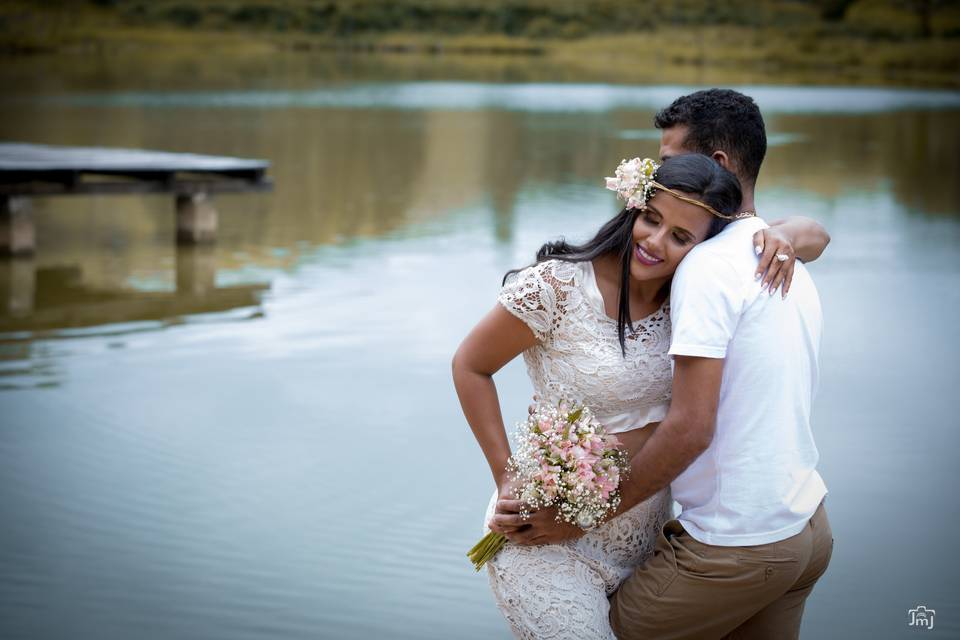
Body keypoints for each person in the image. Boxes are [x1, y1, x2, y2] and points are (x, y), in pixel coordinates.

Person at [491, 89, 833, 639]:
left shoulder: (706, 267)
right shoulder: (780, 254)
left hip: (737, 544)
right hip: (807, 527)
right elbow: (816, 236)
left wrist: (576, 516)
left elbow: (691, 427)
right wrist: (794, 231)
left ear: (713, 167)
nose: (654, 173)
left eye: (668, 161)